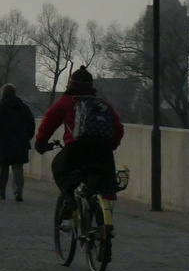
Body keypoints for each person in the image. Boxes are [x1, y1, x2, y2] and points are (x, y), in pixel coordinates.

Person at [36, 66, 126, 200]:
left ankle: (69, 198)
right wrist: (111, 145)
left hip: (76, 148)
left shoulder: (66, 102)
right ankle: (103, 207)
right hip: (103, 150)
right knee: (104, 184)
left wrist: (41, 144)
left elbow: (48, 124)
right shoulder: (101, 104)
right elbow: (118, 128)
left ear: (70, 84)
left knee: (59, 167)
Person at [0, 84, 36, 201]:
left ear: (3, 94)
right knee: (18, 168)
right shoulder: (24, 108)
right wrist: (27, 137)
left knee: (3, 167)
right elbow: (31, 125)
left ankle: (1, 191)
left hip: (3, 142)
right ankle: (18, 192)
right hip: (20, 142)